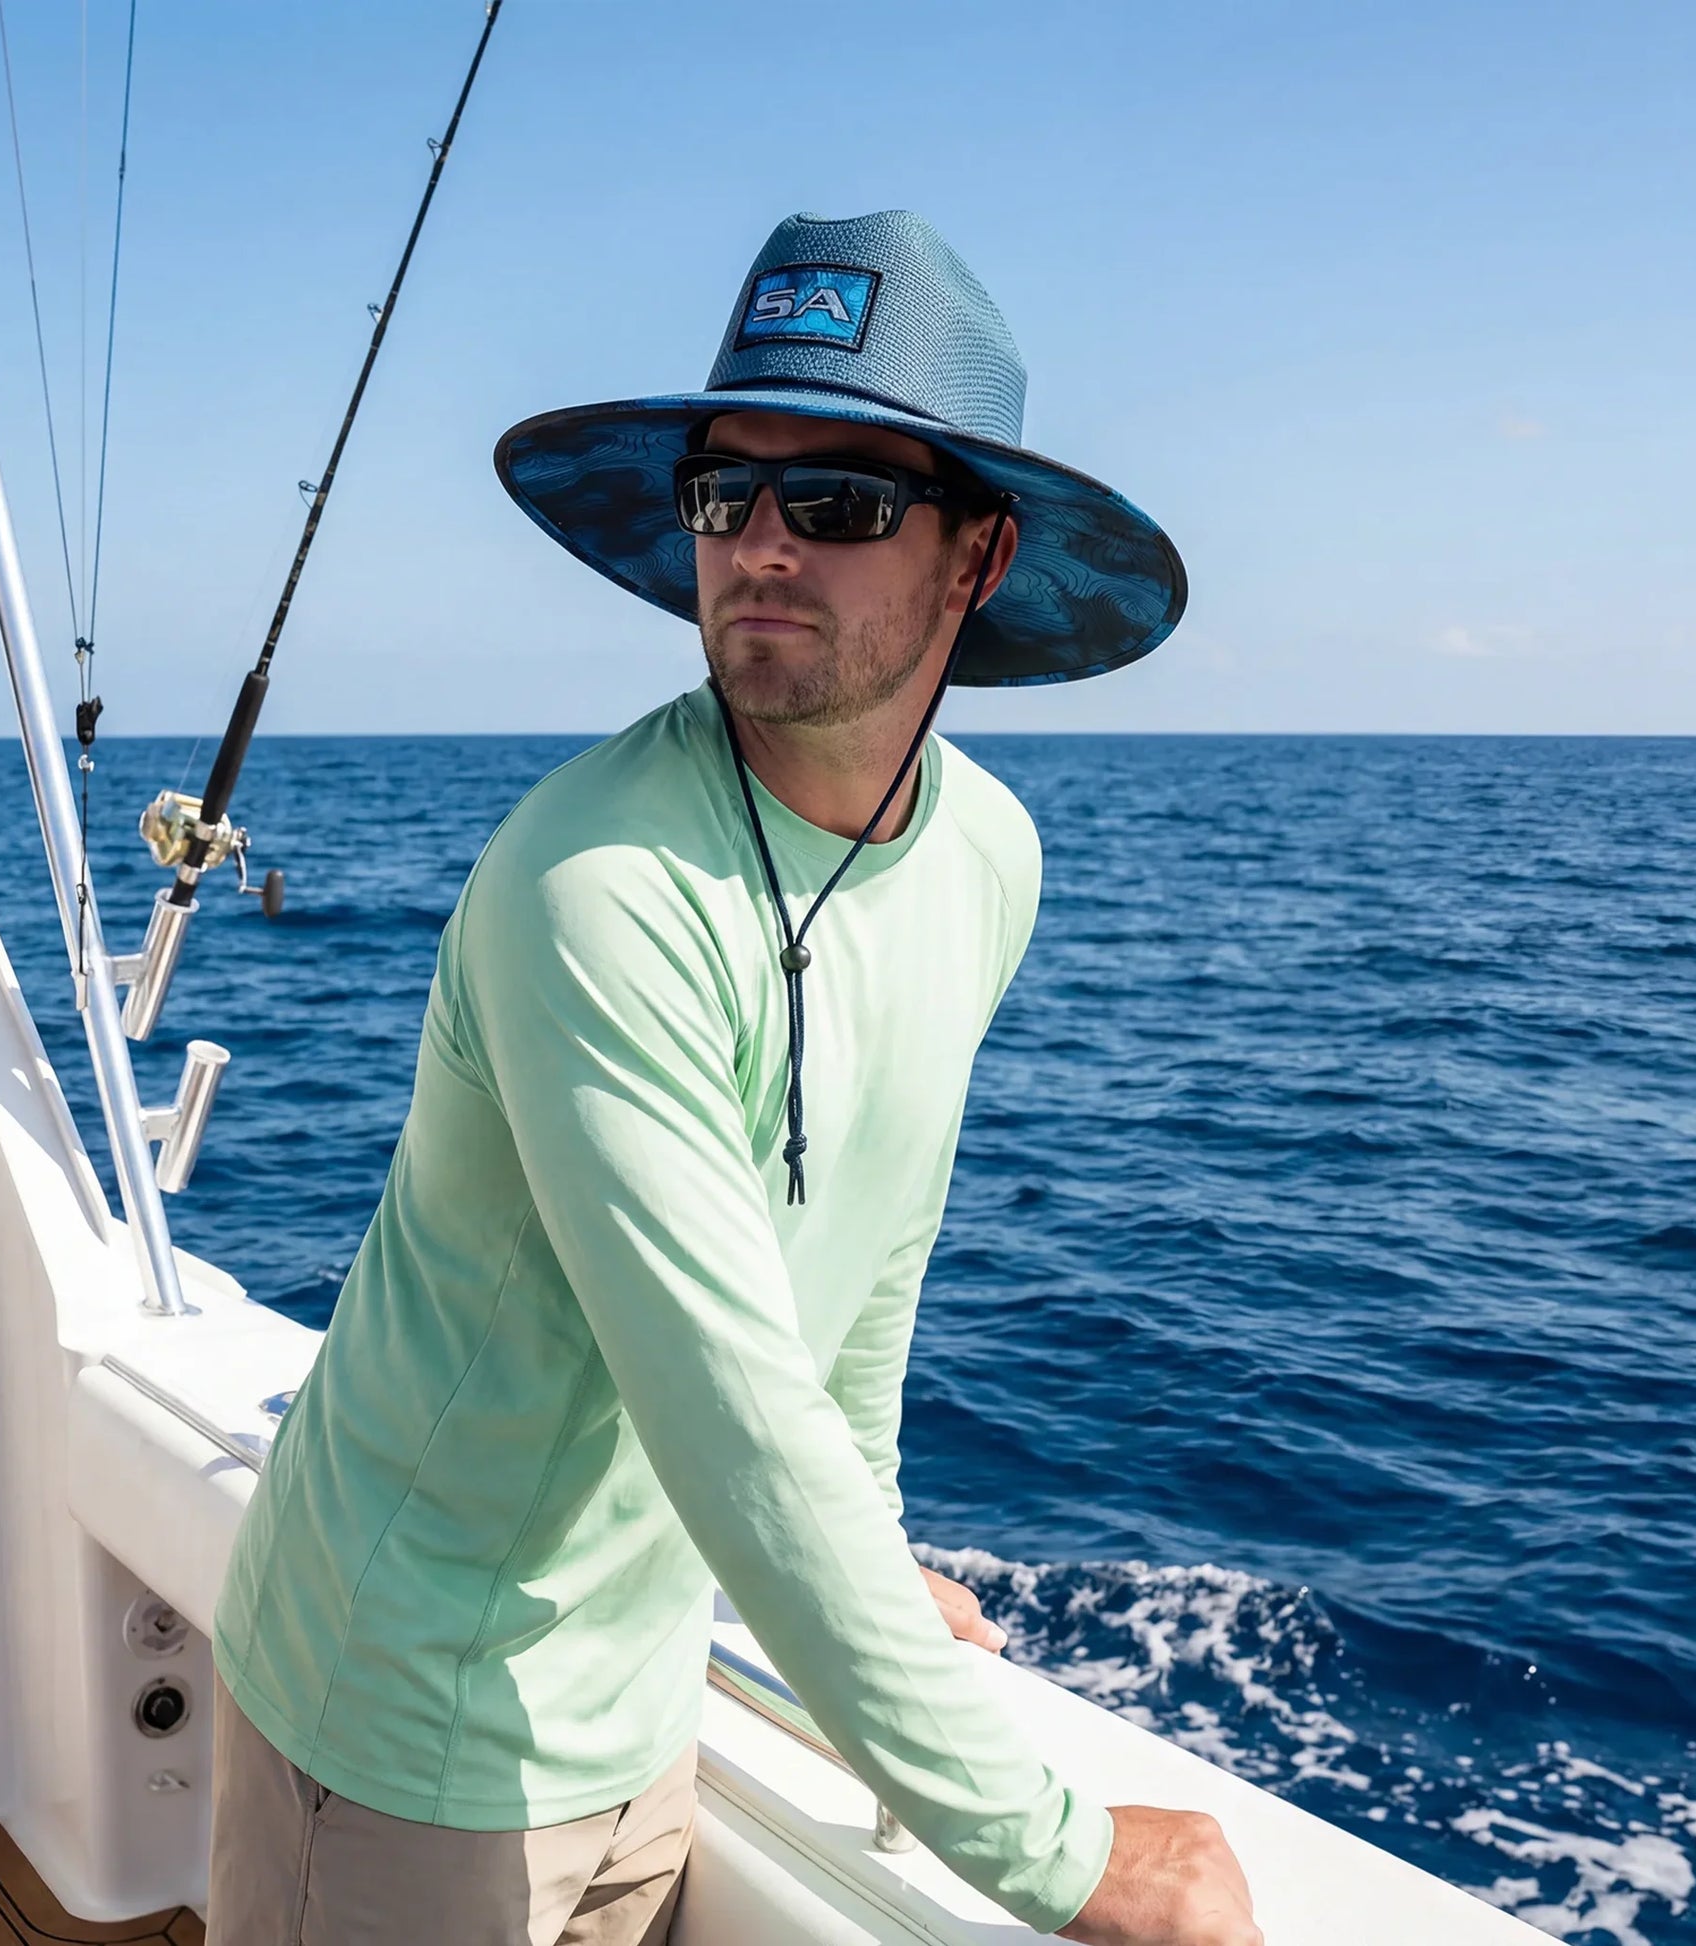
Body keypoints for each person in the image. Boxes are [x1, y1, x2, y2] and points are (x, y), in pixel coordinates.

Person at [208, 209, 1260, 1946]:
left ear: (975, 558)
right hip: (395, 1711)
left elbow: (868, 1255)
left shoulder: (986, 853)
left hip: (641, 1687)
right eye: (724, 495)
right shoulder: (593, 887)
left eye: (834, 502)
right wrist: (1067, 1856)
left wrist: (875, 1548)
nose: (759, 546)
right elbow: (730, 1415)